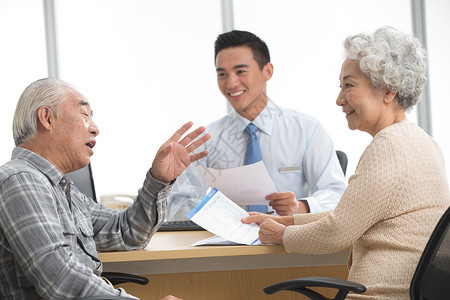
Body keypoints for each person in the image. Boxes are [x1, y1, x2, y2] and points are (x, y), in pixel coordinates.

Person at [242, 26, 450, 299]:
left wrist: (280, 236)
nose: (339, 99)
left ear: (387, 90)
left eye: (349, 85)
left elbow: (336, 232)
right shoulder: (423, 143)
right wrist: (289, 221)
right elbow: (348, 218)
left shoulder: (388, 146)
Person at [0, 78, 211, 300]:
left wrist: (159, 180)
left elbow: (128, 233)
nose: (95, 128)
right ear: (47, 118)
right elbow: (59, 278)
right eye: (84, 115)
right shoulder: (21, 180)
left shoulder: (62, 190)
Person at [167, 30, 347, 220]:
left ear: (267, 71)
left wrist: (301, 207)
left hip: (288, 243)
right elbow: (179, 205)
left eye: (240, 71)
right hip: (226, 246)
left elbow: (338, 195)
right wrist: (214, 213)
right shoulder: (207, 139)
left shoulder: (306, 130)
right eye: (222, 74)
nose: (231, 83)